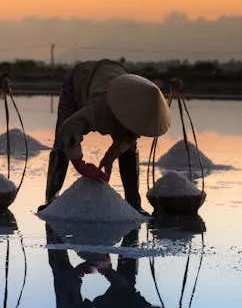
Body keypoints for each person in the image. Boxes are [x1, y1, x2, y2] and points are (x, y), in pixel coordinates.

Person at [42, 59, 170, 214]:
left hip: (113, 73)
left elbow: (129, 137)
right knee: (62, 144)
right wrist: (80, 164)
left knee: (129, 150)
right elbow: (69, 128)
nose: (137, 132)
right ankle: (51, 199)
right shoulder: (100, 108)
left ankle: (134, 203)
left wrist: (111, 155)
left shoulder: (138, 105)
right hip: (78, 80)